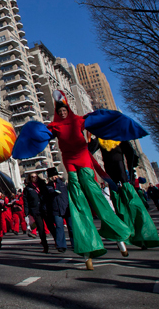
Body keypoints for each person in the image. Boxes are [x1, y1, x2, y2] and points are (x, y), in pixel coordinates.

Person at [47, 92, 132, 270]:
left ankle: (118, 233)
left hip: (83, 159)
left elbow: (96, 123)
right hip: (69, 161)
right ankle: (87, 246)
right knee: (77, 199)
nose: (62, 113)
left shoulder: (79, 120)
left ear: (68, 109)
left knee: (94, 194)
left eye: (64, 110)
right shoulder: (54, 126)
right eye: (60, 111)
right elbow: (43, 134)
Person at [44, 167, 70, 253]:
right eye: (53, 176)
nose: (55, 177)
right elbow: (47, 197)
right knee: (59, 227)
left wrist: (60, 180)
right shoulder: (48, 186)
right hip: (55, 208)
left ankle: (75, 243)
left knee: (71, 227)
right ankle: (61, 245)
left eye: (55, 175)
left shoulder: (62, 183)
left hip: (66, 207)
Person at [25, 173, 50, 253]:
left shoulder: (42, 185)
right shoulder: (28, 189)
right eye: (32, 177)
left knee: (51, 227)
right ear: (30, 178)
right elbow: (26, 202)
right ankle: (45, 246)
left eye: (35, 176)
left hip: (45, 209)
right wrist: (27, 213)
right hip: (35, 210)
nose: (34, 178)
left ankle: (58, 243)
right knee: (41, 228)